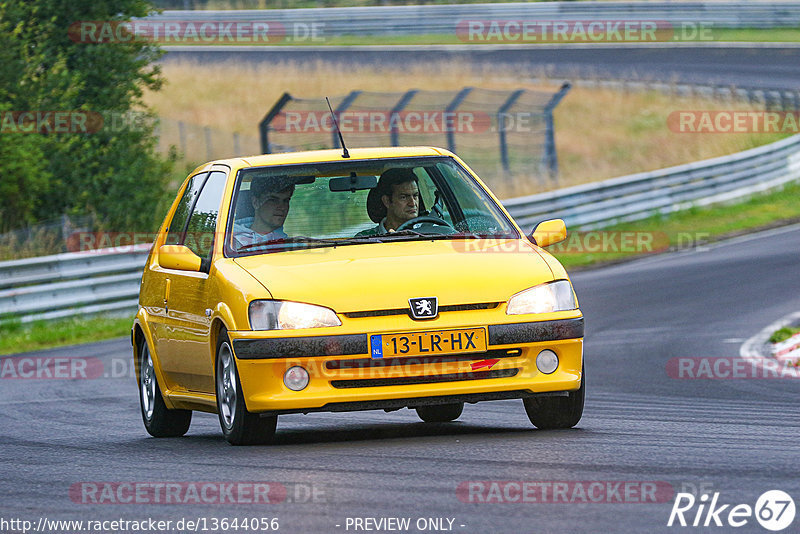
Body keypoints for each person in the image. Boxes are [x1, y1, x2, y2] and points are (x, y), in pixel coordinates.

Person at [232, 176, 294, 249]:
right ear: (256, 202)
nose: (282, 207)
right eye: (273, 200)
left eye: (286, 200)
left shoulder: (293, 245)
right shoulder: (230, 244)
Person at [356, 168, 420, 237]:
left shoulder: (430, 230)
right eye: (403, 197)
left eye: (415, 196)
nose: (412, 203)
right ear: (387, 201)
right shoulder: (365, 238)